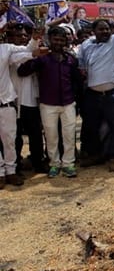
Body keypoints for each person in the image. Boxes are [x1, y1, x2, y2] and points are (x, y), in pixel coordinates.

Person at [17, 27, 83, 178]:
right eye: (56, 39)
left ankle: (68, 164)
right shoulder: (42, 59)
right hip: (48, 104)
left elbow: (77, 82)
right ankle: (54, 164)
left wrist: (76, 102)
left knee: (69, 135)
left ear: (66, 41)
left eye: (61, 40)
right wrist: (33, 56)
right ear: (50, 40)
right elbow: (22, 71)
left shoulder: (71, 59)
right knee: (51, 135)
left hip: (68, 103)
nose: (59, 43)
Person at [78, 0, 114, 172]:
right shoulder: (85, 45)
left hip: (113, 94)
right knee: (91, 126)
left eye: (107, 28)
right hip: (92, 95)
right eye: (101, 29)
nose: (105, 31)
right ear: (94, 31)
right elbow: (81, 65)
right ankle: (95, 155)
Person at [0, 20, 41, 188]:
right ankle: (1, 173)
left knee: (9, 140)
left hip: (6, 103)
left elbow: (25, 51)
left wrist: (35, 41)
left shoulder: (5, 50)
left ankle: (11, 171)